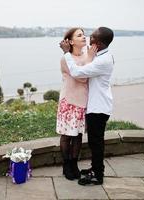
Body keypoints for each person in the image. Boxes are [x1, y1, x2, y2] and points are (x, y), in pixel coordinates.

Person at [60, 27, 114, 186]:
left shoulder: (102, 60)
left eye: (92, 37)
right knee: (94, 142)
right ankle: (94, 169)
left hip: (98, 107)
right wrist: (85, 55)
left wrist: (66, 53)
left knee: (95, 143)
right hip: (91, 104)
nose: (88, 39)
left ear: (98, 43)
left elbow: (78, 74)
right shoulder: (100, 55)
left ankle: (98, 175)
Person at [56, 27, 93, 180]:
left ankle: (74, 164)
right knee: (66, 136)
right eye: (79, 35)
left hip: (82, 102)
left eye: (84, 34)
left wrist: (90, 57)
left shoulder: (87, 56)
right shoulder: (66, 59)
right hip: (69, 102)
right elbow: (82, 77)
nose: (84, 37)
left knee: (78, 136)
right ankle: (66, 165)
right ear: (71, 41)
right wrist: (90, 59)